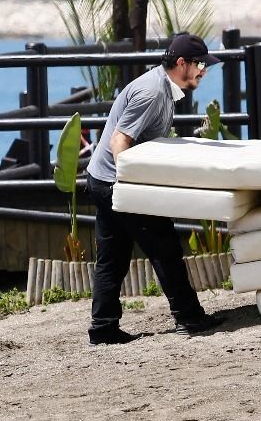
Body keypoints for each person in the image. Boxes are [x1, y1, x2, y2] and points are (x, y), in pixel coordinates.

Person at [83, 32, 227, 345]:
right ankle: (188, 317)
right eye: (200, 65)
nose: (204, 71)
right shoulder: (151, 93)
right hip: (114, 181)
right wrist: (133, 188)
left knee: (113, 257)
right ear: (181, 63)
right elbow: (119, 142)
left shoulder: (163, 87)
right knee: (164, 246)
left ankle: (103, 328)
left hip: (102, 178)